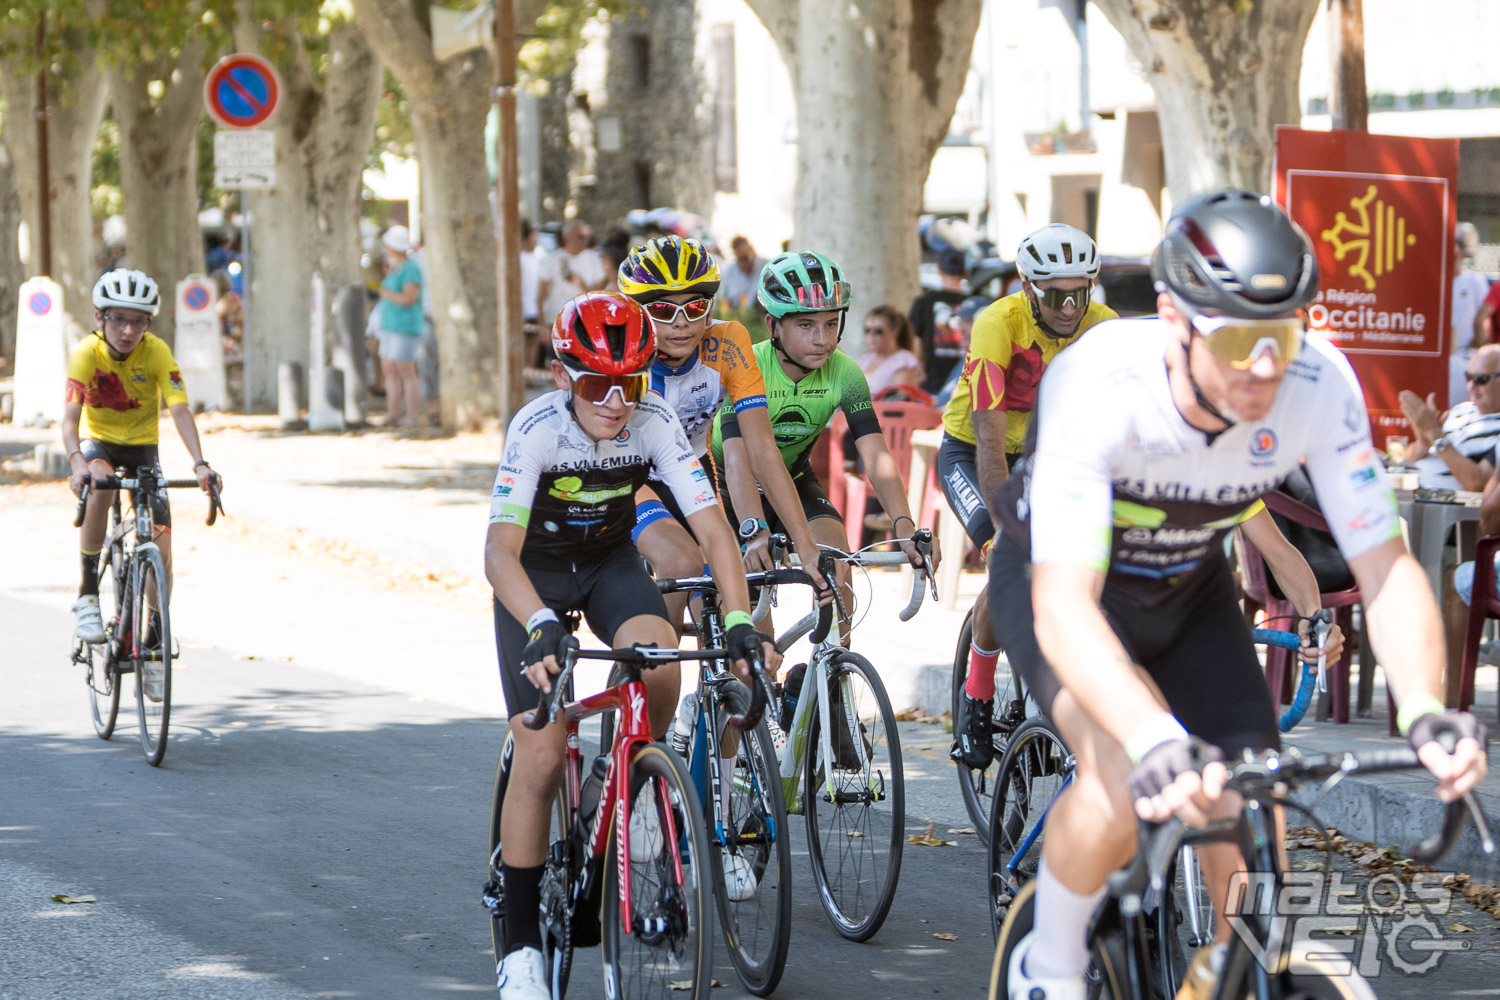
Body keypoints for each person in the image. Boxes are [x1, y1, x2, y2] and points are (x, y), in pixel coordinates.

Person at [989, 189, 1485, 1000]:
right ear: (1175, 320)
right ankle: (1049, 967)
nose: (1265, 365)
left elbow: (1388, 568)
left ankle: (1230, 972)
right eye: (1242, 338)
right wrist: (1154, 737)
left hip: (1189, 593)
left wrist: (1425, 706)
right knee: (1116, 776)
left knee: (1257, 807)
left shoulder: (1319, 385)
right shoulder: (1099, 381)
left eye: (1283, 334)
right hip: (1069, 590)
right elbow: (1066, 607)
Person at [485, 292, 771, 1000]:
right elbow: (498, 553)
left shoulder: (656, 419)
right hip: (536, 579)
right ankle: (519, 947)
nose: (615, 402)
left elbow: (712, 532)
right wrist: (537, 624)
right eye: (595, 384)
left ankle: (622, 776)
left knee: (662, 664)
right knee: (543, 746)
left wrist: (738, 626)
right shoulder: (537, 429)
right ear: (562, 377)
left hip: (611, 564)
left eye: (630, 382)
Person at [941, 224, 1116, 770]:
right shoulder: (998, 324)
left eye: (1079, 293)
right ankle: (976, 693)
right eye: (1054, 293)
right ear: (1026, 286)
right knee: (1006, 565)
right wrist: (1006, 537)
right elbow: (991, 446)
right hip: (974, 452)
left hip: (1046, 457)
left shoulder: (1103, 327)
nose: (1068, 306)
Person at [710, 250, 941, 637]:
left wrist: (903, 523)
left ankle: (832, 676)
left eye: (832, 324)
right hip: (733, 489)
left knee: (837, 563)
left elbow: (876, 454)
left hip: (794, 477)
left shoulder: (847, 373)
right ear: (773, 325)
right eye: (805, 325)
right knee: (753, 622)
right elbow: (736, 460)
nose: (822, 340)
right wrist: (754, 531)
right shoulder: (746, 366)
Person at [616, 235, 828, 630]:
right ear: (637, 310)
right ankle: (650, 667)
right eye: (662, 309)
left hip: (692, 472)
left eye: (695, 307)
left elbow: (762, 450)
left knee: (747, 622)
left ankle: (721, 682)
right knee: (681, 561)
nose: (681, 322)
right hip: (630, 476)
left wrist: (807, 545)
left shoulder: (728, 342)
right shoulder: (625, 356)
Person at [63, 269, 221, 661]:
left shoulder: (157, 352)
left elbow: (180, 410)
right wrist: (76, 463)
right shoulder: (87, 353)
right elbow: (69, 421)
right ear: (100, 318)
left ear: (148, 324)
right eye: (117, 318)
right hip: (99, 444)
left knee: (162, 545)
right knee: (101, 484)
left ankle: (152, 632)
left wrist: (200, 464)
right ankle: (87, 594)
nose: (127, 330)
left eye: (138, 321)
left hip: (143, 450)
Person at [1398, 343, 1500, 492]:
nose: (1471, 385)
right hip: (1411, 495)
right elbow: (1407, 460)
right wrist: (1424, 443)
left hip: (1445, 508)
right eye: (1468, 377)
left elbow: (1477, 483)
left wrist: (1435, 433)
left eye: (1481, 379)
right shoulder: (1460, 410)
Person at [375, 226, 425, 430]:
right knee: (389, 370)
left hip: (404, 327)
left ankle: (412, 415)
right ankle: (393, 412)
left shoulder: (411, 269)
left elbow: (409, 297)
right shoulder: (394, 266)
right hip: (388, 326)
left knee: (406, 371)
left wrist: (387, 295)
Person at [909, 247, 969, 393]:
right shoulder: (972, 303)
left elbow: (915, 341)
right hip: (965, 383)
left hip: (932, 383)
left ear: (939, 270)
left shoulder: (925, 301)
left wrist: (918, 368)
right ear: (964, 273)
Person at [1450, 223, 1491, 408]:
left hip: (1468, 358)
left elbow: (1484, 319)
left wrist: (1480, 351)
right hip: (1445, 359)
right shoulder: (1432, 283)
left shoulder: (1475, 281)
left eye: (1455, 255)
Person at [536, 220, 606, 330]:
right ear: (567, 237)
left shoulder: (592, 258)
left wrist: (581, 284)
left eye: (587, 237)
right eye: (580, 237)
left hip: (584, 320)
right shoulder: (553, 258)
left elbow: (599, 293)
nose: (585, 240)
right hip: (557, 320)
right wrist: (543, 326)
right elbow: (541, 295)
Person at [932, 296, 988, 408]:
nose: (961, 328)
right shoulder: (968, 356)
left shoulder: (984, 360)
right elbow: (943, 401)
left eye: (968, 321)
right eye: (960, 321)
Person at [856, 305, 923, 397]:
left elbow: (902, 400)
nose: (871, 335)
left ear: (894, 332)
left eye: (878, 331)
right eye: (867, 330)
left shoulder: (904, 360)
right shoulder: (865, 359)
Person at [719, 236, 767, 310]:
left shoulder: (766, 267)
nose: (743, 263)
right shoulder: (730, 272)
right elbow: (724, 298)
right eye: (740, 259)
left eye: (745, 258)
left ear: (751, 250)